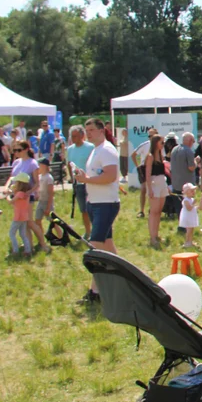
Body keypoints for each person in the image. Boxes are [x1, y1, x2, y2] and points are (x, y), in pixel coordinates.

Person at [76, 117, 121, 303]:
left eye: (92, 130)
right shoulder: (96, 150)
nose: (88, 133)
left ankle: (96, 292)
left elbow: (110, 176)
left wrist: (86, 180)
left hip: (105, 204)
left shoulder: (107, 150)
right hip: (96, 203)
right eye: (87, 130)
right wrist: (84, 178)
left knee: (96, 247)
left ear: (102, 130)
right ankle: (122, 277)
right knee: (107, 245)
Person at [66, 125, 95, 238]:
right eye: (72, 136)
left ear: (82, 136)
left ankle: (96, 230)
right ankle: (88, 232)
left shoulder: (90, 147)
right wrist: (72, 178)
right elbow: (69, 164)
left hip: (89, 182)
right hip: (77, 184)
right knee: (83, 209)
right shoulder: (70, 149)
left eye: (76, 136)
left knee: (92, 208)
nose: (74, 139)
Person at [144, 135, 169, 248]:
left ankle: (156, 234)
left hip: (162, 182)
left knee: (159, 211)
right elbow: (148, 174)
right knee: (153, 212)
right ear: (155, 143)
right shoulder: (150, 156)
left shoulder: (160, 155)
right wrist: (149, 189)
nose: (163, 144)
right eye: (161, 142)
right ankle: (152, 237)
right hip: (154, 183)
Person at [131, 127, 157, 218]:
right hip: (144, 168)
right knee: (143, 189)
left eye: (152, 135)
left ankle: (153, 210)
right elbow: (133, 155)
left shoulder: (160, 145)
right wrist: (138, 166)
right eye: (149, 136)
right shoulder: (145, 145)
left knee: (155, 190)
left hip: (155, 168)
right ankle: (141, 211)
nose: (150, 137)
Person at [8, 172, 33, 256]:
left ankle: (15, 250)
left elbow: (11, 201)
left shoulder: (19, 194)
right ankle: (28, 250)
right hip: (24, 216)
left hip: (18, 217)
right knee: (23, 234)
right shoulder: (26, 194)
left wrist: (7, 196)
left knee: (12, 233)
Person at [34, 157, 55, 254]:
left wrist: (48, 207)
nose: (39, 167)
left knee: (53, 221)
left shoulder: (49, 177)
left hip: (47, 202)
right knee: (37, 220)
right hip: (40, 201)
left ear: (45, 166)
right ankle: (41, 238)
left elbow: (51, 194)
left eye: (40, 165)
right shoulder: (40, 176)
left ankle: (61, 236)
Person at [179, 183, 199, 248]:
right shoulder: (186, 200)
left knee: (192, 229)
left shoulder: (191, 199)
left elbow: (193, 208)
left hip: (191, 217)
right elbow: (189, 208)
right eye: (191, 191)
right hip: (187, 217)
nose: (193, 192)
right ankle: (187, 242)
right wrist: (193, 204)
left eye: (194, 191)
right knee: (189, 230)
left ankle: (190, 241)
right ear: (187, 192)